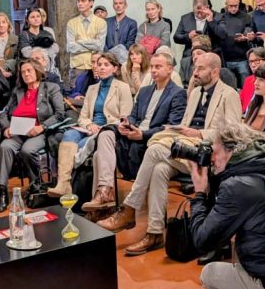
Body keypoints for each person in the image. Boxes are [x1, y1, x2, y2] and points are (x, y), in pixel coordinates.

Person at [99, 53, 239, 255]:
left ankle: (130, 208)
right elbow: (185, 124)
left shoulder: (229, 94)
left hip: (207, 153)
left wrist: (200, 133)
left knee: (155, 149)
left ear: (215, 71)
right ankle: (155, 232)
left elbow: (233, 133)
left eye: (200, 69)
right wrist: (177, 130)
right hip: (186, 147)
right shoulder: (195, 93)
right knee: (159, 169)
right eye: (195, 68)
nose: (195, 72)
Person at [187, 123, 265, 289]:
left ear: (232, 152)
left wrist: (200, 193)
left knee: (209, 274)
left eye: (215, 152)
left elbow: (202, 240)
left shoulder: (237, 186)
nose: (212, 158)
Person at [52, 52, 133, 205]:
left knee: (81, 145)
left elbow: (125, 118)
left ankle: (81, 191)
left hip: (108, 131)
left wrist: (102, 128)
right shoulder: (92, 89)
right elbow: (83, 117)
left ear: (115, 68)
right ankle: (63, 183)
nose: (101, 68)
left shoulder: (123, 88)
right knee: (69, 134)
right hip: (90, 128)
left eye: (106, 65)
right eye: (99, 64)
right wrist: (89, 125)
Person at [0, 59, 66, 205]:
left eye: (29, 70)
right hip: (18, 132)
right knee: (5, 146)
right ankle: (2, 190)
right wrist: (6, 128)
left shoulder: (51, 88)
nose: (26, 74)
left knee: (27, 150)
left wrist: (42, 126)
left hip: (40, 132)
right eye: (23, 72)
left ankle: (36, 184)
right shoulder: (18, 91)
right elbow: (4, 113)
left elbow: (60, 114)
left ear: (37, 71)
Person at [112, 50, 187, 180]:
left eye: (158, 67)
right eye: (152, 67)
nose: (153, 70)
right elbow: (133, 115)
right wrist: (127, 123)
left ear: (170, 69)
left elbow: (171, 126)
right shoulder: (144, 91)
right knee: (111, 134)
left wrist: (143, 134)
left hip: (154, 136)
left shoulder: (178, 93)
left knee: (135, 147)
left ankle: (135, 183)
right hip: (135, 131)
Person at [212, 0, 253, 85]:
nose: (234, 8)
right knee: (228, 87)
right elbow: (218, 35)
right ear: (226, 5)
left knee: (246, 86)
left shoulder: (246, 17)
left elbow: (249, 30)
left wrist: (245, 36)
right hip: (226, 59)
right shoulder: (221, 18)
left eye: (236, 6)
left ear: (239, 3)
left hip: (242, 58)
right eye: (231, 6)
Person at [67, 0, 107, 78]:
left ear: (91, 2)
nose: (80, 4)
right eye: (78, 1)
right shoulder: (71, 23)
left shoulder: (101, 23)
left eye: (83, 1)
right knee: (77, 88)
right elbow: (71, 47)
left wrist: (80, 42)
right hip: (77, 67)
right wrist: (92, 44)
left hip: (95, 67)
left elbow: (99, 45)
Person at [174, 0, 216, 75]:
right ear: (193, 8)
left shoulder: (216, 16)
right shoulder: (185, 18)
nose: (199, 14)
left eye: (201, 11)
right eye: (197, 12)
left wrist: (211, 21)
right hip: (189, 56)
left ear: (207, 7)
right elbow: (176, 37)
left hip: (210, 55)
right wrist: (188, 36)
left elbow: (222, 35)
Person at [17, 6, 58, 73]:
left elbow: (56, 49)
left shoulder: (47, 33)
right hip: (31, 68)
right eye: (32, 17)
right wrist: (44, 51)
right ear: (27, 20)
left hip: (48, 68)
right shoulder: (24, 34)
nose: (36, 19)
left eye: (38, 16)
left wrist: (36, 48)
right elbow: (26, 53)